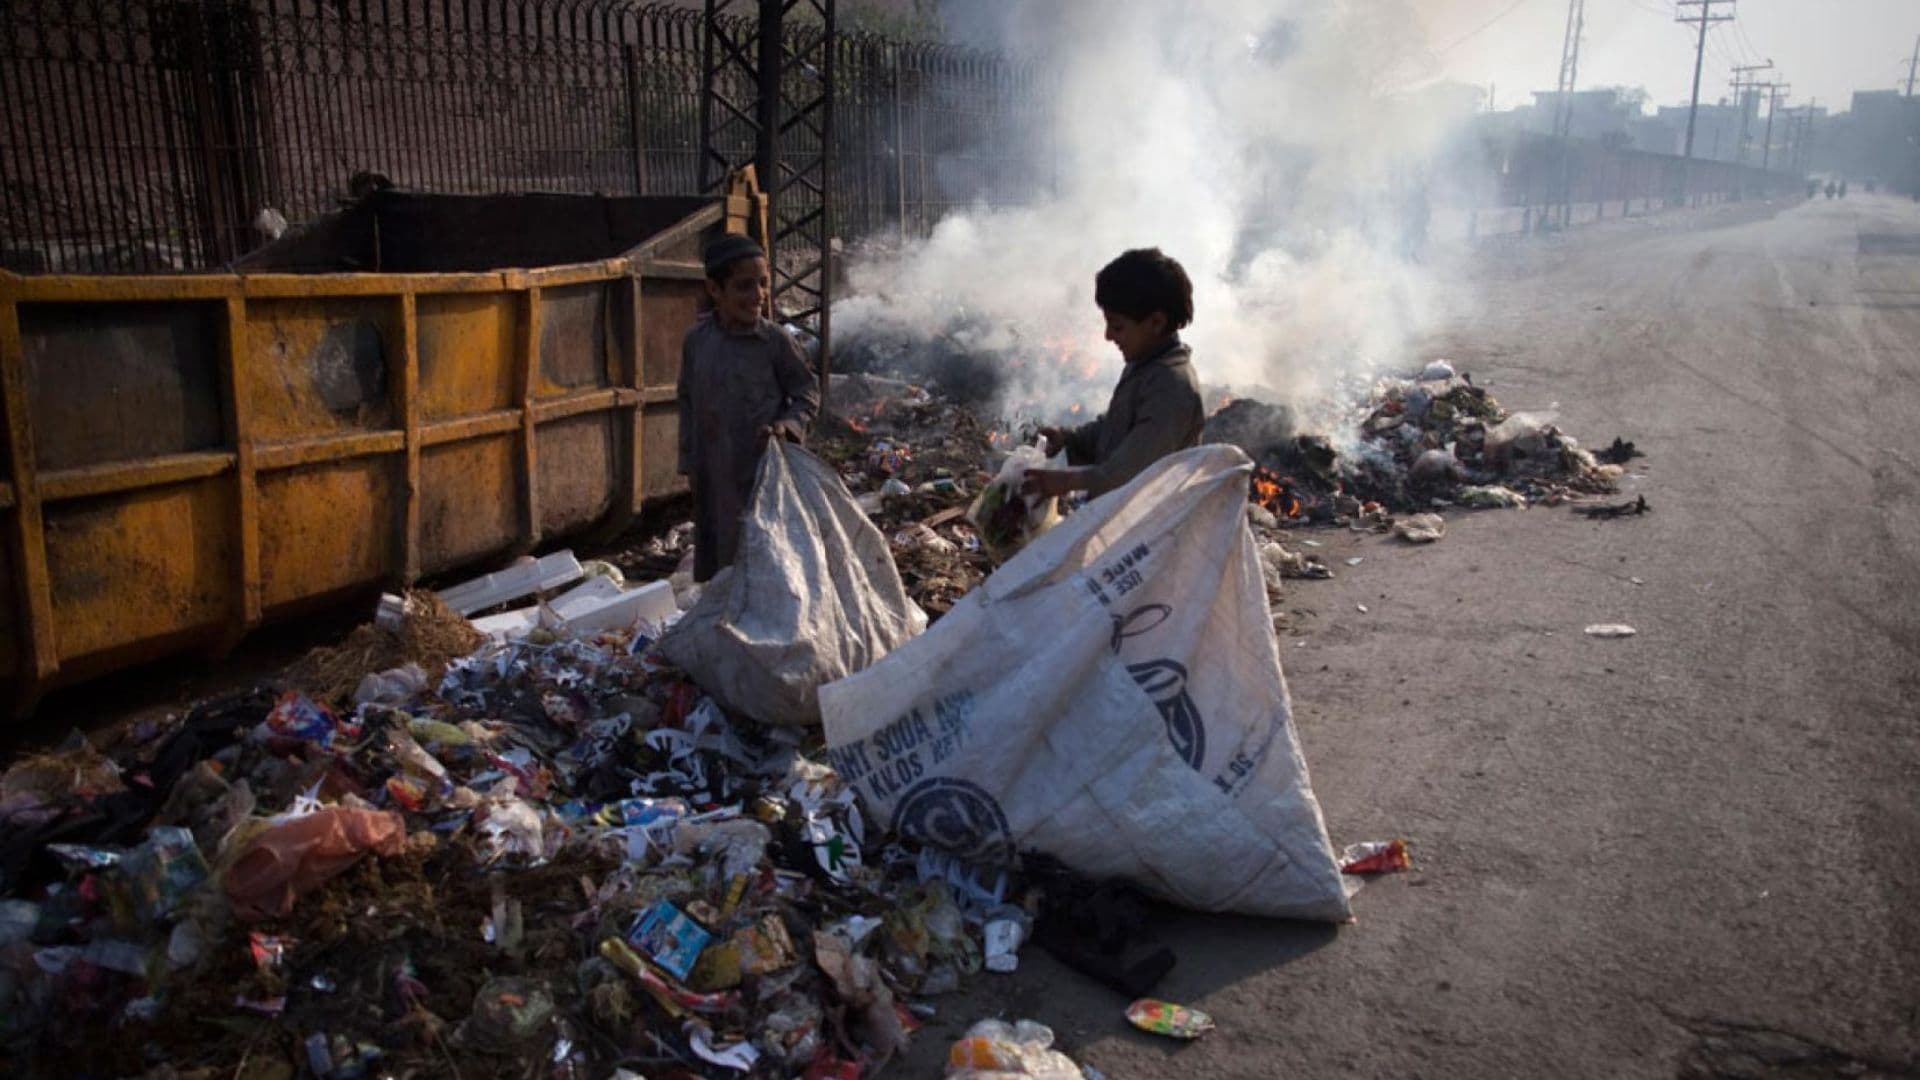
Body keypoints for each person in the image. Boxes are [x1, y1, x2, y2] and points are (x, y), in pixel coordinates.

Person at [677, 234, 820, 582]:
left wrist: (789, 425)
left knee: (770, 566)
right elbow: (687, 403)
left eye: (763, 284)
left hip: (764, 476)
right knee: (723, 568)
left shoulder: (774, 342)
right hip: (715, 476)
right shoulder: (698, 342)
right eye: (744, 286)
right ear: (715, 290)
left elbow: (807, 392)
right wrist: (688, 464)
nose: (757, 295)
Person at [1022, 248, 1206, 502]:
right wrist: (1070, 440)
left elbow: (1132, 474)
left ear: (1155, 322)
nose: (1108, 336)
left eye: (1118, 326)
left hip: (1150, 530)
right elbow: (1115, 429)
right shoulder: (1144, 365)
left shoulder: (1171, 387)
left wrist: (1066, 482)